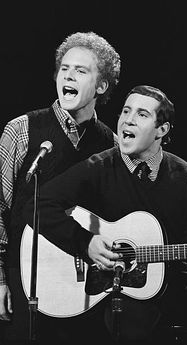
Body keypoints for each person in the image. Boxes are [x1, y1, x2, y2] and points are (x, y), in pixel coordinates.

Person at [23, 84, 187, 345]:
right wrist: (85, 242)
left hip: (175, 286)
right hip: (117, 293)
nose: (128, 120)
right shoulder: (99, 167)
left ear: (162, 130)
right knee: (132, 328)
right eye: (126, 110)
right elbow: (39, 203)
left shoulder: (184, 174)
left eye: (142, 114)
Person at [0, 31, 121, 344]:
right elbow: (0, 209)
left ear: (102, 85)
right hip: (24, 283)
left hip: (83, 290)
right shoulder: (22, 130)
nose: (69, 75)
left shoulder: (111, 145)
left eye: (81, 71)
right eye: (65, 68)